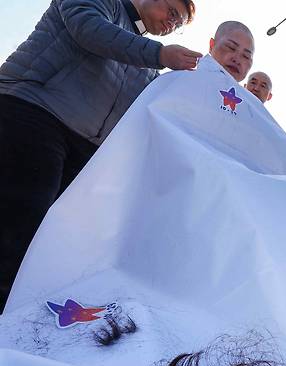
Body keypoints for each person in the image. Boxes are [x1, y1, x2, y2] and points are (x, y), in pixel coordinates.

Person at [0, 0, 201, 313]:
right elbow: (90, 30)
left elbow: (156, 109)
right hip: (34, 112)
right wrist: (160, 55)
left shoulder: (143, 60)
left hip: (83, 151)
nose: (172, 24)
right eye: (172, 13)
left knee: (50, 242)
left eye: (179, 23)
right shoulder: (108, 10)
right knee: (19, 222)